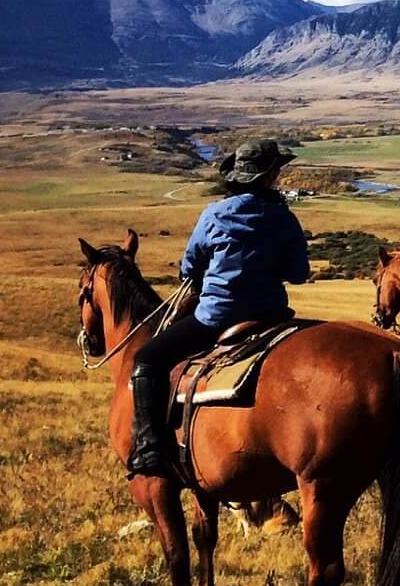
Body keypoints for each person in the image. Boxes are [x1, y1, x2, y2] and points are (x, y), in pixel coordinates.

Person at [127, 139, 309, 478]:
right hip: (271, 315)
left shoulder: (214, 214)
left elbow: (189, 267)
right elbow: (298, 275)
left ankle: (150, 448)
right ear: (271, 176)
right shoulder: (285, 218)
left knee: (147, 360)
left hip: (217, 317)